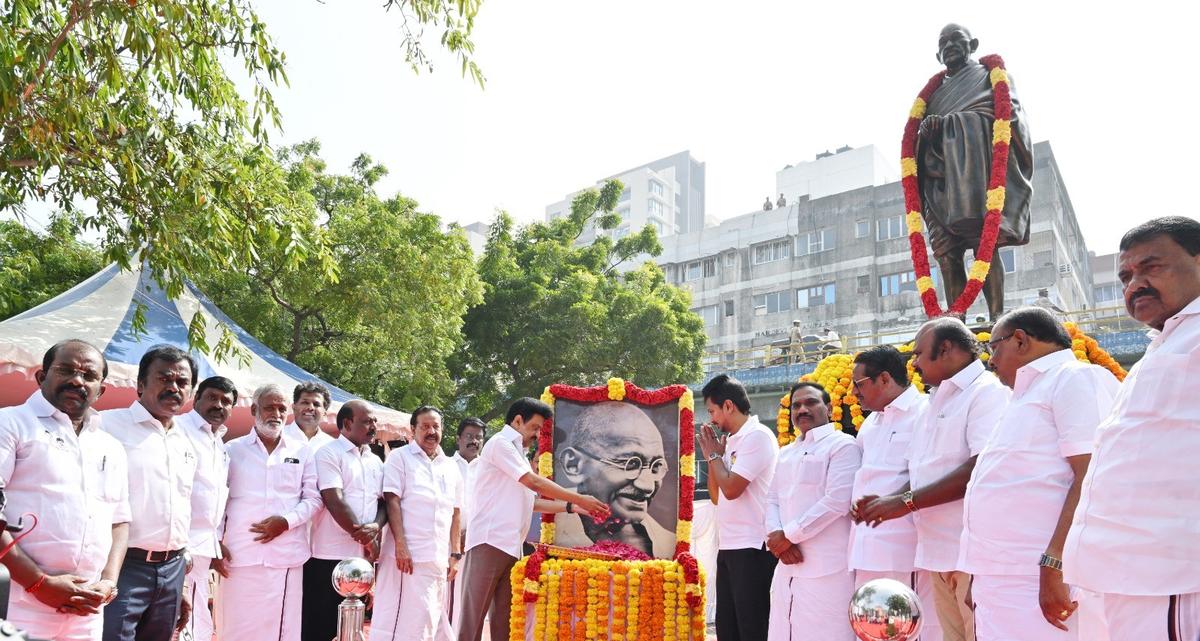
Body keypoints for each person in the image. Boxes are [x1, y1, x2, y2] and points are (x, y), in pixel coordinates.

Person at [1064, 216, 1200, 640]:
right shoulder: (1162, 349)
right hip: (1131, 578)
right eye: (1126, 276)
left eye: (1152, 267)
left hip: (1174, 576)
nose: (1134, 284)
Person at [959, 307, 1117, 641]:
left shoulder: (1074, 378)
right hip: (1002, 577)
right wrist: (979, 574)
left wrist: (1055, 562)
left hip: (1042, 575)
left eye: (994, 348)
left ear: (1020, 340)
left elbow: (1092, 475)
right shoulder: (1021, 397)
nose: (990, 360)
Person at [858, 318, 1009, 641]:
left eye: (919, 354)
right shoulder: (933, 401)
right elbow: (920, 471)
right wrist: (889, 501)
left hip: (970, 552)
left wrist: (905, 501)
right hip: (937, 553)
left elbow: (981, 467)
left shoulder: (986, 393)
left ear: (946, 350)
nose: (912, 363)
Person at [0, 340, 129, 641]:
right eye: (66, 370)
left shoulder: (110, 445)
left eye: (88, 375)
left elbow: (120, 519)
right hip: (19, 601)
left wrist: (108, 583)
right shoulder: (10, 423)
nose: (77, 380)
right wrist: (39, 584)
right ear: (42, 377)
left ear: (101, 390)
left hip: (88, 607)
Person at [456, 398, 609, 641]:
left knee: (503, 622)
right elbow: (533, 482)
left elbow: (531, 502)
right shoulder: (500, 444)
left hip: (510, 546)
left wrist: (573, 507)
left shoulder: (518, 453)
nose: (537, 434)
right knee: (472, 621)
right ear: (517, 420)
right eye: (535, 428)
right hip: (489, 542)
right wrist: (579, 498)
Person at [916, 23, 1034, 320]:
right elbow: (919, 140)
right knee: (946, 253)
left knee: (985, 245)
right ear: (937, 54)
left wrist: (953, 124)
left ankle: (997, 317)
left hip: (976, 173)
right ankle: (954, 321)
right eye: (943, 42)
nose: (950, 46)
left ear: (974, 44)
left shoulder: (990, 79)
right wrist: (928, 133)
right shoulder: (931, 98)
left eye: (957, 40)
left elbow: (1010, 120)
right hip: (940, 178)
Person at [101, 344, 199, 641]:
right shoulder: (105, 426)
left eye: (182, 382)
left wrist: (181, 582)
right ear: (141, 384)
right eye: (164, 378)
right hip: (122, 567)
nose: (173, 387)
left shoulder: (187, 439)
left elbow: (183, 506)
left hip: (172, 568)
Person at [847, 346, 943, 641]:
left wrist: (891, 504)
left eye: (859, 385)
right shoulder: (871, 424)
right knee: (871, 631)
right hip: (865, 550)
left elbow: (928, 475)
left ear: (885, 378)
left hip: (903, 550)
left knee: (912, 631)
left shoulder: (926, 412)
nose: (854, 393)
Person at [217, 384, 322, 641]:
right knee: (235, 626)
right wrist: (216, 543)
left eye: (282, 408)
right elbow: (218, 499)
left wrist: (285, 522)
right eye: (269, 407)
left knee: (281, 630)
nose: (276, 414)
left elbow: (313, 499)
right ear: (254, 409)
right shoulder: (232, 449)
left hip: (285, 556)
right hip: (238, 555)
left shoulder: (302, 451)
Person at [764, 382, 861, 641]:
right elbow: (771, 498)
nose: (802, 409)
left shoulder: (843, 446)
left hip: (828, 571)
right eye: (796, 405)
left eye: (810, 402)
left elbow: (837, 501)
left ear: (828, 408)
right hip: (787, 566)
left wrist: (789, 536)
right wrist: (777, 538)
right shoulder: (785, 453)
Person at [697, 374, 779, 641]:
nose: (711, 419)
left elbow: (732, 489)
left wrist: (713, 455)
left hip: (753, 547)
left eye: (712, 411)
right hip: (730, 546)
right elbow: (716, 497)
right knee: (728, 628)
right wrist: (714, 458)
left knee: (751, 627)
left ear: (729, 406)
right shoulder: (731, 440)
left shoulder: (758, 437)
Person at [373, 406, 461, 641]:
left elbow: (455, 510)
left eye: (436, 426)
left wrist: (455, 553)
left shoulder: (450, 465)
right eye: (425, 426)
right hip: (406, 558)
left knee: (429, 620)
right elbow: (392, 500)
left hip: (437, 558)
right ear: (413, 430)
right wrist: (401, 544)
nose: (431, 431)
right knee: (401, 622)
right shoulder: (399, 458)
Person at [304, 400, 384, 641]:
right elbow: (333, 499)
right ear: (347, 424)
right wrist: (368, 539)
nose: (373, 426)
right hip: (328, 556)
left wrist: (376, 527)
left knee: (352, 628)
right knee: (319, 628)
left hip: (361, 560)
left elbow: (383, 502)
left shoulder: (375, 460)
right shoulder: (328, 453)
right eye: (367, 421)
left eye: (374, 422)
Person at [554, 401, 675, 558]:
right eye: (630, 463)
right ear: (574, 464)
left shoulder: (666, 543)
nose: (648, 486)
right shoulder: (552, 524)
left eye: (655, 467)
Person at [177, 375, 238, 641]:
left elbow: (214, 497)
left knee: (197, 616)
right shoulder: (177, 429)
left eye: (226, 401)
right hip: (178, 545)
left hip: (203, 547)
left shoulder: (219, 443)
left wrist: (216, 542)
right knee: (180, 619)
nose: (219, 405)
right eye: (212, 397)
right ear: (196, 398)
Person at [447, 417, 486, 624]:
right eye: (469, 436)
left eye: (479, 437)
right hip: (447, 542)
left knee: (469, 601)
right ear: (458, 439)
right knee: (445, 598)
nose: (474, 441)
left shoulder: (489, 469)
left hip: (478, 542)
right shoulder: (446, 465)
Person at [284, 381, 335, 452]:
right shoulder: (275, 436)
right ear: (293, 407)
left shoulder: (332, 446)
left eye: (316, 404)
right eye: (305, 402)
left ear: (324, 413)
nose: (310, 407)